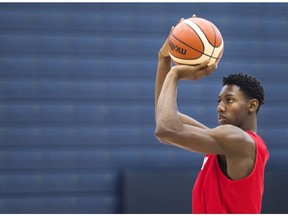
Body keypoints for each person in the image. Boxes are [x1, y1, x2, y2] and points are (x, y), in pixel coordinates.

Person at [154, 16, 269, 214]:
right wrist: (164, 58)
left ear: (252, 105)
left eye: (229, 100)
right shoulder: (224, 142)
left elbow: (165, 130)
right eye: (219, 101)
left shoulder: (238, 140)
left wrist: (175, 74)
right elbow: (164, 114)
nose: (220, 107)